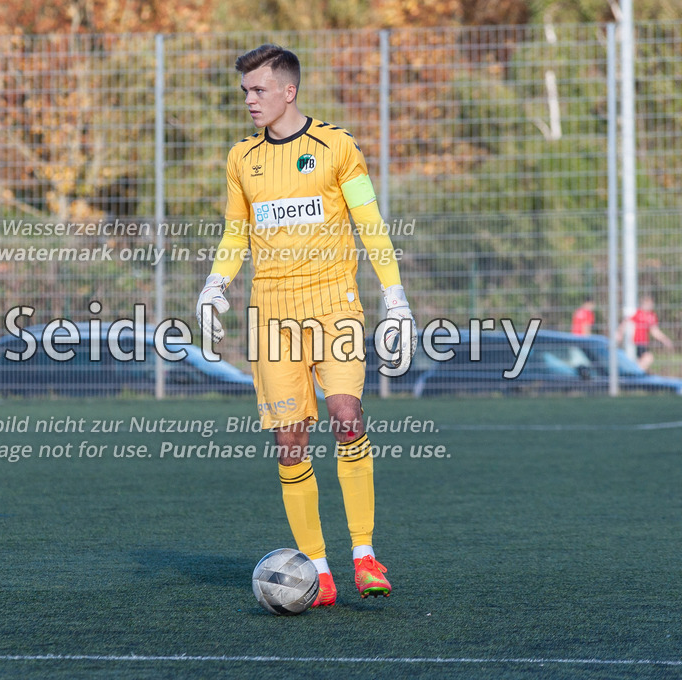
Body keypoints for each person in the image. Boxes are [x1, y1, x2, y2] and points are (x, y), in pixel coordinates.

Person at [195, 45, 417, 605]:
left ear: (288, 91)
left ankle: (364, 555)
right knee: (291, 444)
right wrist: (215, 284)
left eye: (259, 90)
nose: (249, 99)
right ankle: (318, 572)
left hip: (333, 304)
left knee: (347, 416)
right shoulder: (240, 159)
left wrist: (395, 299)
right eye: (245, 90)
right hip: (270, 314)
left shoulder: (338, 147)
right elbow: (234, 233)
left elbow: (369, 221)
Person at [617, 295, 673, 372]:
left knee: (643, 361)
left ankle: (635, 374)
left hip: (644, 343)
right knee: (648, 358)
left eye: (650, 303)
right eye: (646, 303)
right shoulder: (638, 313)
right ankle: (636, 374)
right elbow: (626, 321)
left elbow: (655, 331)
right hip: (636, 342)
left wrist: (665, 340)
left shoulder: (652, 316)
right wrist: (620, 333)